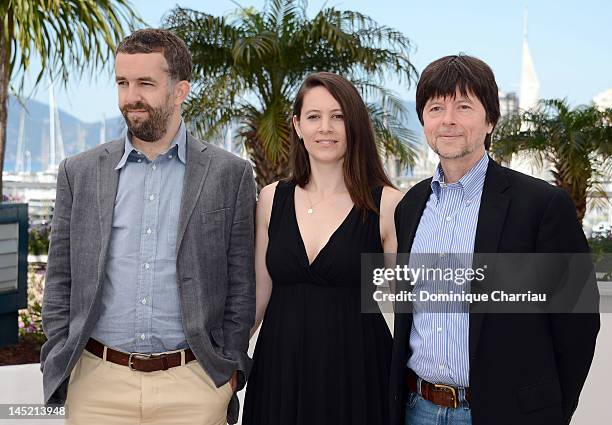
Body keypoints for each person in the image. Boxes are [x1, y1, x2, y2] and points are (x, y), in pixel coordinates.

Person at [40, 28, 255, 425]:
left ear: (180, 91)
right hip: (96, 388)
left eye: (145, 83)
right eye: (122, 82)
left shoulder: (231, 174)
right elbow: (60, 279)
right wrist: (61, 359)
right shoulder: (79, 172)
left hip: (194, 386)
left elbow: (240, 284)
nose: (130, 97)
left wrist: (228, 373)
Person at [389, 54, 600, 425]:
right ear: (424, 120)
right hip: (416, 408)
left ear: (490, 120)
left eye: (464, 106)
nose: (448, 119)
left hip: (505, 413)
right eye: (436, 107)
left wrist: (550, 410)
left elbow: (578, 325)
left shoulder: (542, 205)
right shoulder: (411, 205)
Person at [242, 72, 403, 425]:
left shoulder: (387, 204)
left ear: (355, 124)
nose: (325, 128)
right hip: (279, 373)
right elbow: (258, 298)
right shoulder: (272, 199)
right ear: (298, 126)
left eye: (338, 116)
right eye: (314, 117)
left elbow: (409, 305)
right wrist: (223, 362)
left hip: (358, 376)